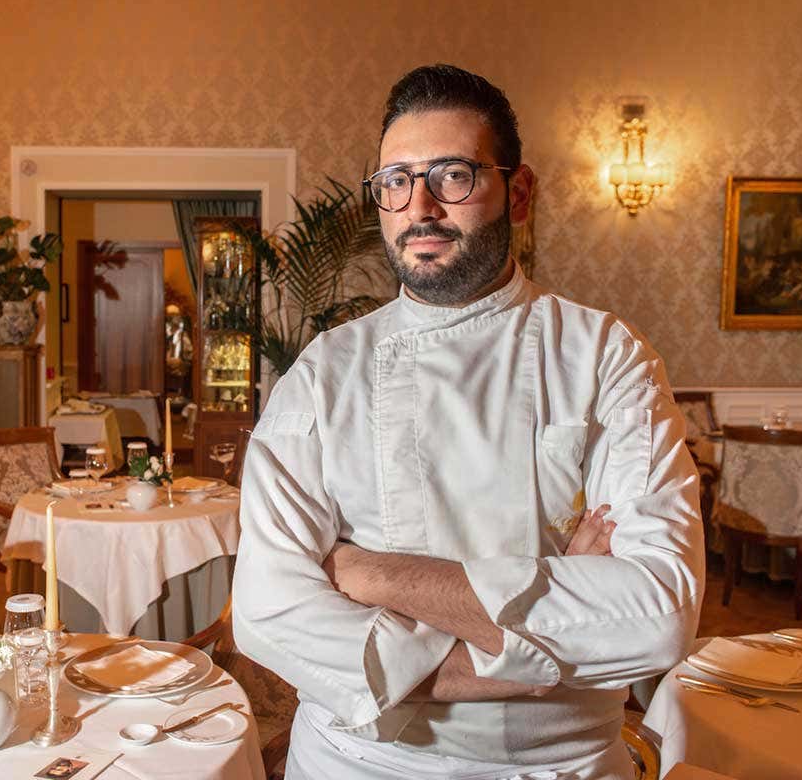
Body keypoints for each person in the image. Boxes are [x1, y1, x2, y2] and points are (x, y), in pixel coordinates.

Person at [232, 65, 704, 780]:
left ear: (518, 192)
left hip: (558, 766)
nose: (418, 206)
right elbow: (267, 612)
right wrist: (543, 633)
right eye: (395, 181)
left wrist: (371, 573)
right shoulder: (325, 374)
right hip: (363, 763)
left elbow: (659, 612)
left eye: (452, 175)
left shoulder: (605, 355)